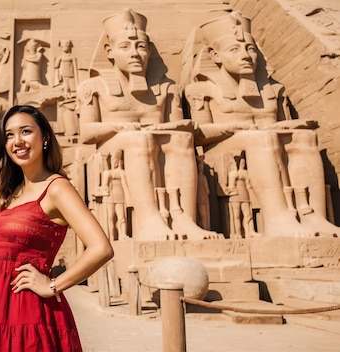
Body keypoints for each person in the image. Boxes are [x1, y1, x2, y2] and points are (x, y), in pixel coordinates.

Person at [0, 105, 114, 352]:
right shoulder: (8, 193)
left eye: (26, 131)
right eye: (9, 135)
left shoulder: (57, 188)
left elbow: (101, 248)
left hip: (31, 313)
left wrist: (52, 285)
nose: (18, 141)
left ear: (45, 137)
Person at [184, 11, 337, 237]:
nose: (246, 56)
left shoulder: (273, 90)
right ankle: (278, 218)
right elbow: (198, 135)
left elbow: (284, 128)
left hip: (265, 142)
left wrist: (293, 126)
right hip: (225, 150)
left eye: (251, 49)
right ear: (215, 56)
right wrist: (236, 128)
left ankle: (312, 215)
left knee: (305, 137)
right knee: (262, 138)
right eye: (234, 50)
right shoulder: (202, 89)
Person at [77, 8, 220, 241]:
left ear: (150, 51)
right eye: (125, 46)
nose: (135, 53)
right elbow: (87, 132)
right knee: (140, 140)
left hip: (153, 145)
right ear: (109, 51)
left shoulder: (167, 88)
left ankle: (184, 218)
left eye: (141, 46)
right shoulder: (94, 86)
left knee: (182, 140)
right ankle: (149, 220)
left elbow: (179, 128)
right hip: (116, 149)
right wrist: (120, 128)